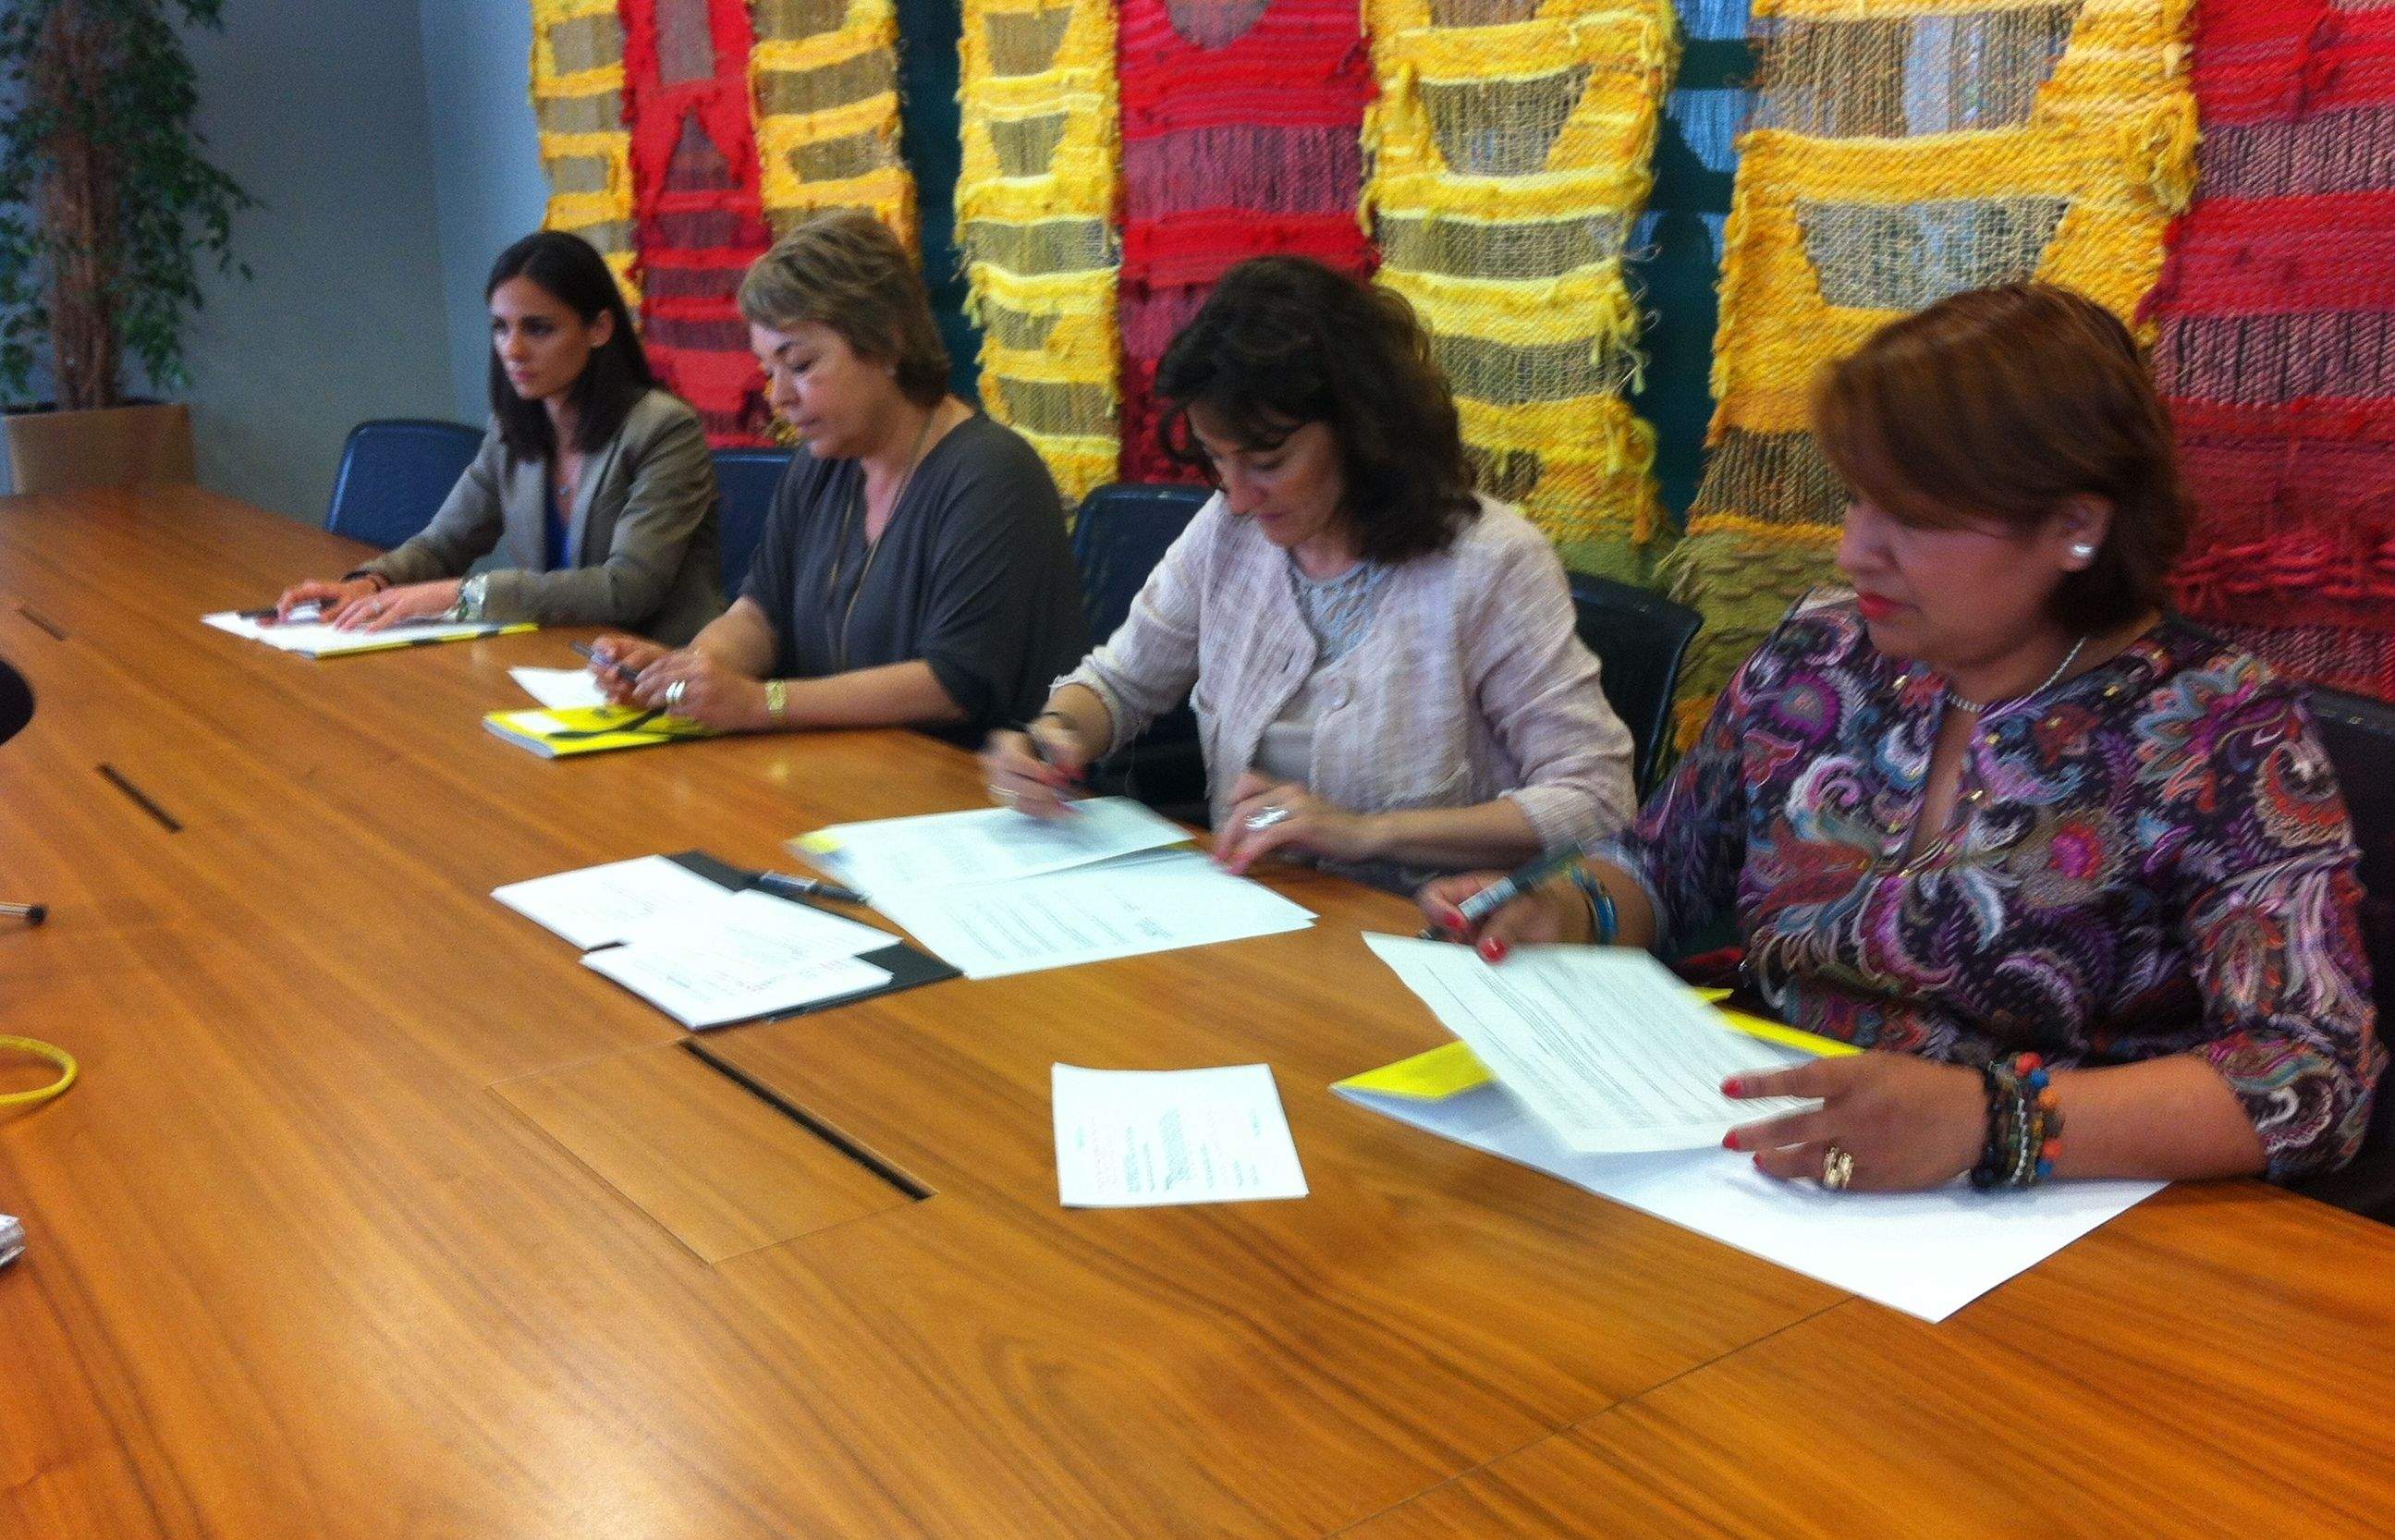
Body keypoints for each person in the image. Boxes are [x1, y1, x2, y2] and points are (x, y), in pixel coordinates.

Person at [1423, 283, 2381, 1192]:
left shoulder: (2217, 730)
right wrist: (1566, 909)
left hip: (2047, 1221)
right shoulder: (1821, 656)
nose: (1852, 550)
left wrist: (1990, 1122)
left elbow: (2311, 1076)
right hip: (1754, 1155)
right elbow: (1662, 866)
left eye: (1911, 519)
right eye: (1855, 499)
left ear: (2074, 524)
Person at [983, 255, 1636, 892]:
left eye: (1267, 460)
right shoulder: (1227, 532)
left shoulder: (1490, 563)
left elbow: (1597, 799)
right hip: (1258, 920)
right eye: (1217, 460)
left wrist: (1366, 833)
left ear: (1361, 428)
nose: (1237, 496)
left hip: (1426, 939)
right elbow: (1119, 683)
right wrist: (1054, 738)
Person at [589, 212, 1085, 743]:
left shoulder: (992, 475)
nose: (778, 397)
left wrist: (763, 702)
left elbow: (952, 684)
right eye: (768, 371)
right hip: (841, 774)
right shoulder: (820, 463)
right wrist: (687, 672)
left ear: (887, 344)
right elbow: (760, 615)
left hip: (967, 794)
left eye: (800, 365)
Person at [276, 232, 723, 644]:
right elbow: (443, 545)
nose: (512, 349)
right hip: (555, 657)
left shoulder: (664, 429)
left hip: (663, 668)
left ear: (599, 329)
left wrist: (462, 595)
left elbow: (627, 589)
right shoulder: (512, 430)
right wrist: (371, 583)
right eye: (500, 327)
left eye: (538, 328)